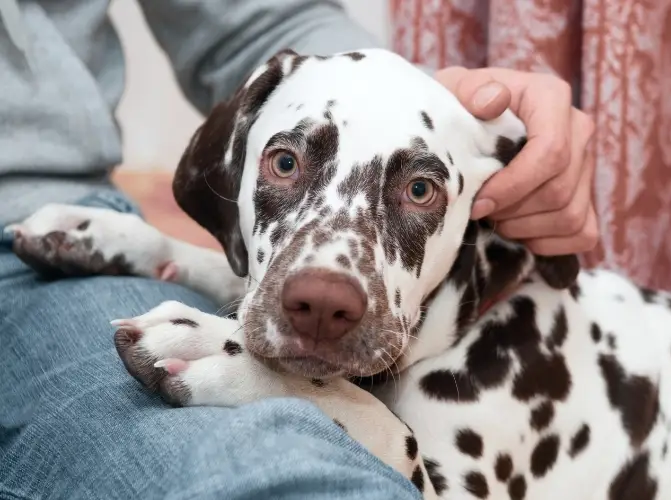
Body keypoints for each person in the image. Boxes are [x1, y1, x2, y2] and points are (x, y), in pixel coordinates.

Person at [0, 1, 596, 499]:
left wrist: (452, 104)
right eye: (286, 163)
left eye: (419, 188)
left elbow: (258, 20)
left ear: (480, 208)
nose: (327, 291)